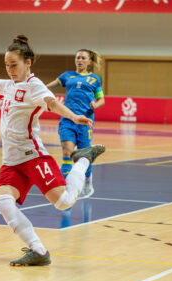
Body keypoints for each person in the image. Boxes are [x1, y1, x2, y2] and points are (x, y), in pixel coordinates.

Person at [0, 35, 105, 266]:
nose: (10, 70)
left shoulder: (34, 85)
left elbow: (51, 103)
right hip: (11, 161)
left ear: (27, 62)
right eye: (7, 65)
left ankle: (83, 159)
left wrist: (72, 116)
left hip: (33, 157)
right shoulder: (9, 85)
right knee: (3, 202)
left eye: (14, 65)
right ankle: (39, 251)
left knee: (64, 201)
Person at [46, 49, 105, 198]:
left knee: (84, 157)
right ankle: (63, 188)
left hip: (85, 122)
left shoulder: (94, 79)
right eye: (77, 57)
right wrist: (35, 90)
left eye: (83, 58)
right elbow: (48, 87)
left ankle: (87, 180)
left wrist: (95, 105)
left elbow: (102, 100)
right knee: (67, 152)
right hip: (67, 120)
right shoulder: (67, 76)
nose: (79, 60)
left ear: (89, 61)